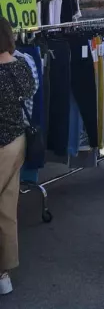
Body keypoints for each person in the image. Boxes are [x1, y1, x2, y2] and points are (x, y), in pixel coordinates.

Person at [0, 17, 36, 296]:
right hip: (16, 142)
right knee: (7, 209)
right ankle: (4, 272)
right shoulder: (22, 66)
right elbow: (30, 97)